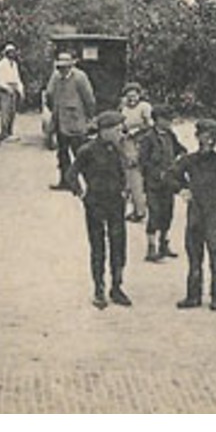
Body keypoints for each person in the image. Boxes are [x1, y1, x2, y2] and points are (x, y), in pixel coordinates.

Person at [65, 109, 131, 308]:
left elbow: (123, 170)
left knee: (119, 246)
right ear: (105, 130)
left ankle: (117, 287)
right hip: (95, 204)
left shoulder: (117, 148)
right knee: (98, 247)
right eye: (118, 130)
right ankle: (99, 289)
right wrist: (81, 193)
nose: (121, 133)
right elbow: (71, 175)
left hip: (116, 204)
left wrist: (125, 190)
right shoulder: (87, 150)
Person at [174, 118, 216, 310]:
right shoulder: (189, 160)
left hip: (215, 211)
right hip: (196, 211)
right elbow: (170, 176)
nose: (210, 140)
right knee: (194, 254)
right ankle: (193, 296)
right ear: (197, 136)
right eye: (206, 136)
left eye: (214, 137)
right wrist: (182, 189)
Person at [137, 112, 185, 261]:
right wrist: (154, 174)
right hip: (153, 184)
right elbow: (143, 161)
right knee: (154, 213)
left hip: (168, 182)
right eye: (166, 119)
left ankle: (164, 244)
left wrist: (182, 158)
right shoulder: (148, 138)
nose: (169, 122)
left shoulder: (170, 135)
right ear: (157, 120)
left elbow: (179, 149)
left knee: (167, 214)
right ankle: (151, 248)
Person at [46, 51, 96, 189]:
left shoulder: (80, 77)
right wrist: (54, 111)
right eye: (60, 67)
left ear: (71, 66)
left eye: (65, 67)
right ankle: (66, 182)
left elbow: (89, 99)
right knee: (62, 155)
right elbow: (49, 95)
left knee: (80, 153)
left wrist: (90, 118)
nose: (62, 70)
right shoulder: (55, 77)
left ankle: (89, 183)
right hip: (60, 121)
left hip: (76, 122)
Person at [119, 83, 154, 221]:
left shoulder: (144, 107)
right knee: (128, 177)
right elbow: (122, 125)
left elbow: (150, 124)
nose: (131, 99)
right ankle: (135, 208)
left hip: (141, 141)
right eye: (129, 97)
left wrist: (137, 130)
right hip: (127, 142)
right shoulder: (124, 109)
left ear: (139, 95)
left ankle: (140, 210)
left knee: (136, 176)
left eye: (134, 96)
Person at [0, 44, 25, 138]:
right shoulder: (1, 64)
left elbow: (17, 78)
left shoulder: (14, 64)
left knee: (12, 111)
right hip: (4, 90)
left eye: (13, 52)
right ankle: (4, 133)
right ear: (6, 53)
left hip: (13, 89)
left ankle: (9, 132)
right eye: (10, 52)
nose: (12, 54)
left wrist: (21, 90)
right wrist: (7, 88)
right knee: (5, 112)